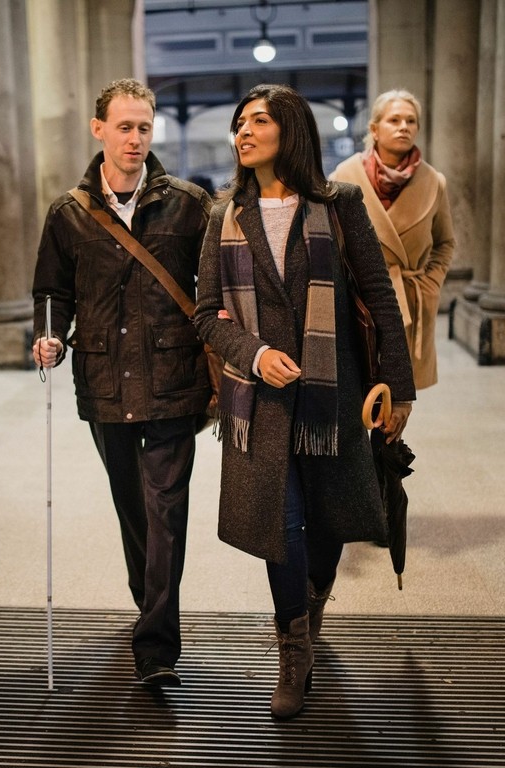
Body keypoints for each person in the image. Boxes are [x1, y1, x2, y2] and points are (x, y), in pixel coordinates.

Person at [193, 84, 416, 719]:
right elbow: (207, 314)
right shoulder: (223, 214)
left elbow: (377, 295)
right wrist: (255, 354)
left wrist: (400, 387)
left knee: (329, 520)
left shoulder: (339, 205)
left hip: (334, 394)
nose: (243, 131)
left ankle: (315, 600)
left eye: (258, 121)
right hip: (259, 401)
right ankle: (293, 644)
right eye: (239, 122)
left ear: (290, 130)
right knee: (280, 526)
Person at [31, 78, 213, 687]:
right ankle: (148, 597)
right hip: (104, 382)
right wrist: (48, 334)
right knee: (132, 508)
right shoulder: (68, 215)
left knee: (167, 512)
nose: (135, 138)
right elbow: (52, 290)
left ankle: (157, 647)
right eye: (125, 126)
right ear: (99, 129)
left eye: (144, 127)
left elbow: (211, 291)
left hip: (172, 381)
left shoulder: (190, 205)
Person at [330, 89, 455, 390]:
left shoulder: (433, 182)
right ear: (374, 129)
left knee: (398, 394)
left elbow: (445, 243)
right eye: (394, 120)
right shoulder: (342, 177)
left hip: (410, 299)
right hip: (358, 300)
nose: (404, 127)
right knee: (357, 388)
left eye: (411, 121)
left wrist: (428, 284)